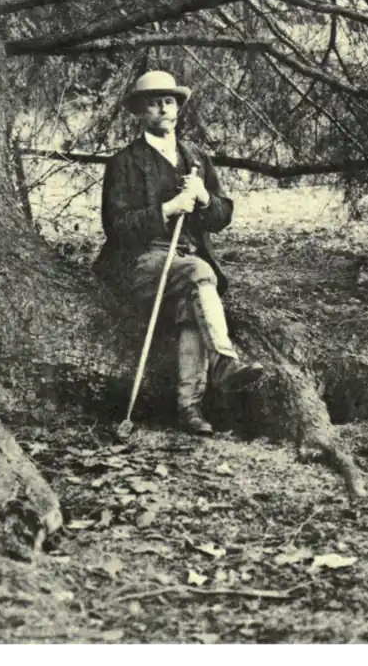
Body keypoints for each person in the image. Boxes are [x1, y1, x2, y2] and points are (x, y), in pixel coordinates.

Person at [95, 70, 264, 436]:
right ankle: (223, 360)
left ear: (178, 109)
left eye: (169, 102)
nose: (163, 110)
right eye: (153, 104)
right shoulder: (123, 163)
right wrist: (169, 209)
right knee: (199, 274)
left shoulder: (196, 159)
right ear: (140, 112)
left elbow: (222, 216)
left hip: (185, 261)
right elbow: (117, 227)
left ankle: (189, 409)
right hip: (140, 262)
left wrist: (203, 198)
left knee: (193, 302)